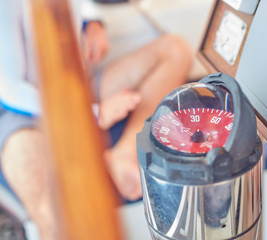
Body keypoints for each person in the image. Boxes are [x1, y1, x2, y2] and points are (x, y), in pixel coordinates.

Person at [0, 1, 192, 239]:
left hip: (77, 85)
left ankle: (122, 156)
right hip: (22, 114)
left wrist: (92, 22)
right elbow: (11, 92)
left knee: (175, 49)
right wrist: (95, 113)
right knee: (52, 214)